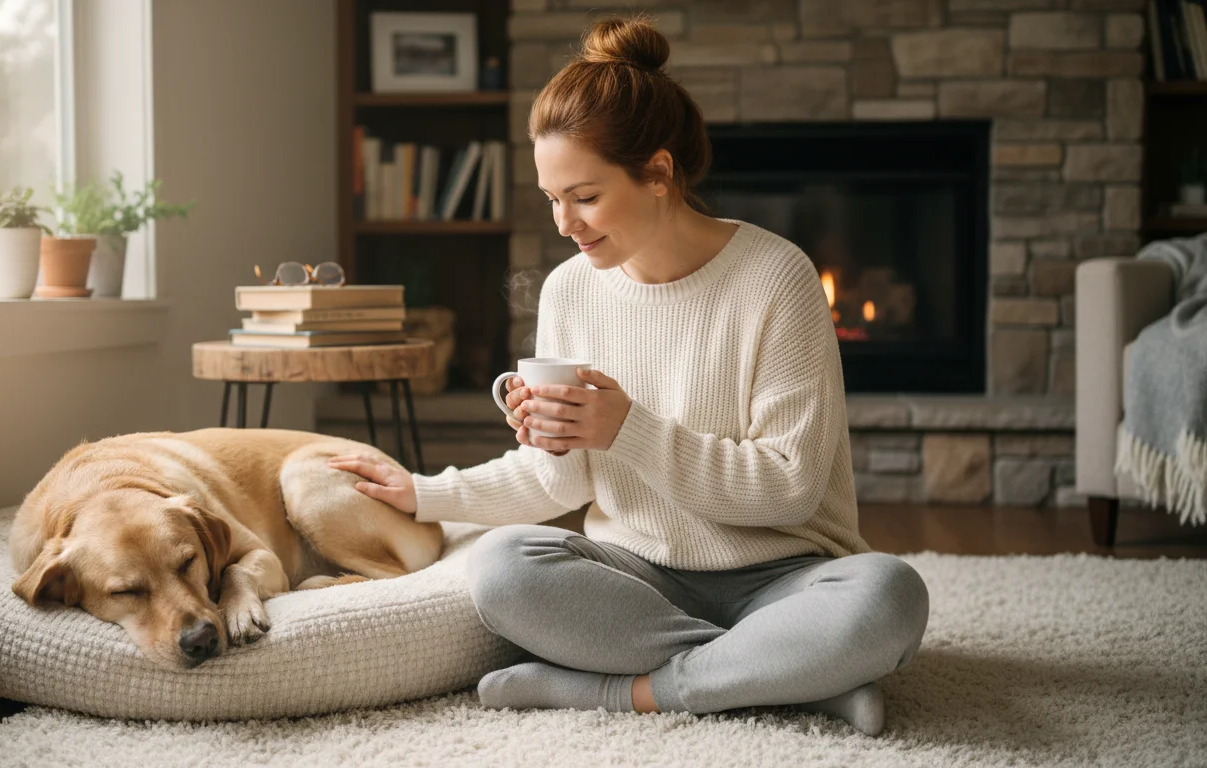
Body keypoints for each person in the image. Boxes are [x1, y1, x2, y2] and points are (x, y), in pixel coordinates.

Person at [326, 14, 929, 738]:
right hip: (638, 575)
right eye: (552, 198)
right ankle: (795, 682)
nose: (564, 223)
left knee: (889, 595)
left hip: (785, 576)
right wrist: (426, 493)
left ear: (659, 174)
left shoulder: (777, 278)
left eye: (584, 196)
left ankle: (630, 692)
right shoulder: (569, 292)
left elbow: (791, 487)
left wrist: (629, 429)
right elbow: (562, 485)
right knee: (503, 569)